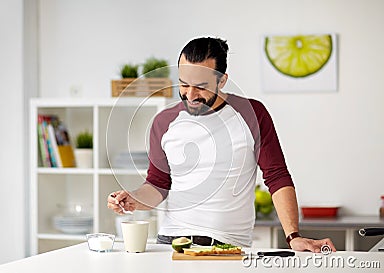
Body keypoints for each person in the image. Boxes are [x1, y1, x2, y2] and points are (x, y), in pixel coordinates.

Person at [107, 37, 336, 252]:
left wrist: (292, 236)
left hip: (228, 247)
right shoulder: (164, 122)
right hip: (171, 244)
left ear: (222, 79)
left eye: (201, 86)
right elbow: (158, 185)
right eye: (183, 85)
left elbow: (276, 176)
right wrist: (134, 199)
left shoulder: (252, 114)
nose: (190, 95)